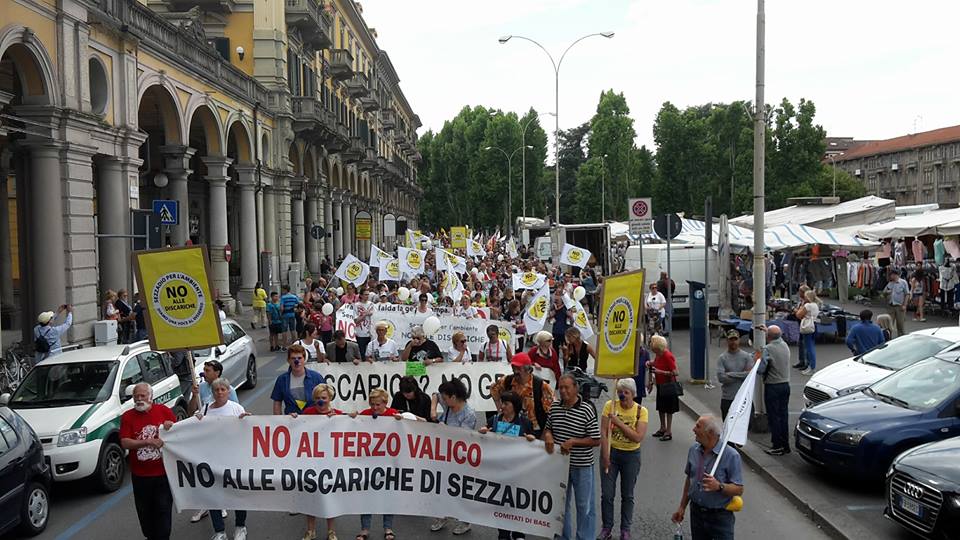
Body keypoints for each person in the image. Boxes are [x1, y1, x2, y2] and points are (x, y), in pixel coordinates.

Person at [544, 374, 601, 540]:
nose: (563, 391)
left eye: (566, 387)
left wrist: (574, 442)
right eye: (560, 387)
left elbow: (596, 439)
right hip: (560, 465)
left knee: (584, 506)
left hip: (582, 465)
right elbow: (548, 428)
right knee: (562, 505)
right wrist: (548, 435)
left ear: (576, 388)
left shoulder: (586, 409)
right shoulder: (555, 407)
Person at [671, 416, 744, 540]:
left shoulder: (731, 456)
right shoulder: (693, 450)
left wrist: (719, 486)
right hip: (697, 514)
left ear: (710, 433)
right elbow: (690, 479)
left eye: (698, 426)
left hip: (719, 518)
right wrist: (682, 506)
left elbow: (739, 489)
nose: (693, 429)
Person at [194, 378, 250, 540]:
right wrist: (194, 398)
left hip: (234, 459)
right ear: (212, 392)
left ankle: (240, 527)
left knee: (238, 494)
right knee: (213, 495)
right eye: (216, 390)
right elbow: (190, 425)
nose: (219, 393)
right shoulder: (204, 410)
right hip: (212, 460)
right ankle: (219, 531)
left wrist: (247, 421)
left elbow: (246, 431)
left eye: (223, 390)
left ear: (228, 391)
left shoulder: (236, 408)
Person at [120, 383, 176, 540]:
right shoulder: (127, 416)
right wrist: (148, 442)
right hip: (140, 476)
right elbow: (125, 442)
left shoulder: (163, 411)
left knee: (163, 509)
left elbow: (179, 433)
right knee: (145, 512)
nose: (139, 399)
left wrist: (171, 426)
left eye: (142, 395)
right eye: (136, 396)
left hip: (162, 474)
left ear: (151, 396)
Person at [479, 390, 536, 540]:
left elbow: (535, 447)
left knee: (517, 504)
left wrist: (532, 440)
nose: (502, 406)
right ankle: (503, 534)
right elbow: (482, 438)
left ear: (514, 406)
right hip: (499, 472)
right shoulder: (494, 420)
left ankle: (518, 534)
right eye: (502, 403)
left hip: (518, 472)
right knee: (501, 504)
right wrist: (482, 433)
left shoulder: (525, 422)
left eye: (506, 403)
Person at [290, 384, 341, 540]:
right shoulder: (307, 413)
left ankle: (331, 531)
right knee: (311, 496)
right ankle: (310, 530)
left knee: (329, 497)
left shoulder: (339, 415)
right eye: (317, 398)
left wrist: (350, 417)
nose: (320, 401)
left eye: (323, 398)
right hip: (311, 462)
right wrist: (292, 419)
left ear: (330, 399)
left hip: (330, 463)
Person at [598, 378, 648, 540]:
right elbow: (604, 433)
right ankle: (607, 528)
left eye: (626, 392)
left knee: (627, 495)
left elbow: (637, 437)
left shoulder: (641, 411)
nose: (622, 395)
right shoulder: (610, 406)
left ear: (633, 394)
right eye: (620, 392)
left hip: (631, 456)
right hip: (611, 453)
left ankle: (625, 529)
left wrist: (618, 423)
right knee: (607, 494)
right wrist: (605, 455)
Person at [430, 378, 477, 535]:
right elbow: (435, 395)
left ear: (454, 397)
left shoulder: (469, 415)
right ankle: (442, 516)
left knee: (459, 490)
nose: (443, 400)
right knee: (441, 488)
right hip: (443, 455)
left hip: (460, 458)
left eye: (445, 397)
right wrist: (433, 410)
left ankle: (465, 521)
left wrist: (445, 430)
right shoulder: (448, 405)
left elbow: (462, 438)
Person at [353, 388, 400, 540]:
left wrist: (403, 420)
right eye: (372, 404)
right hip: (369, 463)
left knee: (388, 495)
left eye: (378, 405)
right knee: (367, 495)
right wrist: (352, 417)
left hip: (388, 463)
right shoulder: (365, 414)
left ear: (385, 403)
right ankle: (365, 529)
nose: (374, 408)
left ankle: (388, 528)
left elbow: (419, 423)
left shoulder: (393, 414)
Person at [489, 352, 555, 438]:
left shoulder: (541, 386)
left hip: (533, 430)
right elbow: (494, 391)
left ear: (528, 369)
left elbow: (551, 412)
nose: (515, 371)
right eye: (513, 367)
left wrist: (545, 434)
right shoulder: (507, 380)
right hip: (511, 426)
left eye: (518, 368)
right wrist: (500, 410)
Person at [757, 326, 791, 456]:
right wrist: (767, 330)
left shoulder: (768, 349)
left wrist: (758, 358)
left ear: (769, 337)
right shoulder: (785, 345)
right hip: (785, 385)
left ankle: (777, 445)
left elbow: (761, 369)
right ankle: (785, 444)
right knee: (783, 416)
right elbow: (776, 336)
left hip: (773, 386)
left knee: (774, 417)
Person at [271, 345, 325, 415]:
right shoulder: (282, 380)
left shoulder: (316, 377)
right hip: (291, 422)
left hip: (313, 421)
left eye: (299, 358)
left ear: (304, 359)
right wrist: (279, 421)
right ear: (288, 360)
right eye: (293, 358)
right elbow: (277, 403)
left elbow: (326, 400)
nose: (296, 361)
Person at [646, 335, 678, 442]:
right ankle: (662, 427)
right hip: (660, 385)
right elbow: (657, 363)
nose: (654, 352)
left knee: (668, 409)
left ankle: (668, 431)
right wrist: (650, 363)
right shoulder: (658, 355)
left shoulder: (668, 355)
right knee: (661, 407)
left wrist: (661, 372)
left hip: (668, 385)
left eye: (655, 349)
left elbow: (675, 372)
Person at [716, 330, 753, 420]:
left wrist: (730, 374)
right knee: (727, 426)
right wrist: (741, 375)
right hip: (728, 398)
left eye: (735, 339)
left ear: (739, 340)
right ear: (727, 341)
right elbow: (721, 378)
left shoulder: (746, 356)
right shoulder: (722, 358)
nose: (733, 342)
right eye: (731, 339)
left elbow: (749, 375)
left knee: (745, 427)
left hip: (743, 398)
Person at [796, 290, 820, 375]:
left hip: (807, 326)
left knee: (809, 347)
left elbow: (798, 315)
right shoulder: (815, 305)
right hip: (814, 325)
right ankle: (811, 366)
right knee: (811, 346)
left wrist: (800, 308)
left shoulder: (807, 305)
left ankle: (812, 367)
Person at [883, 270, 909, 338]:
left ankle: (900, 338)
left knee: (900, 324)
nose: (890, 276)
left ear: (895, 275)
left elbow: (907, 294)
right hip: (891, 306)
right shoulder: (890, 283)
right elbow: (884, 293)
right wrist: (886, 292)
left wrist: (904, 305)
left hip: (899, 306)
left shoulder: (903, 282)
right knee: (889, 324)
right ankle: (888, 338)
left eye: (891, 275)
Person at [354, 293, 375, 358]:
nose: (367, 296)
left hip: (371, 333)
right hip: (360, 333)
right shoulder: (356, 305)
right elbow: (356, 321)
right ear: (361, 295)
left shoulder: (371, 304)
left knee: (371, 354)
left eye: (368, 294)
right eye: (365, 294)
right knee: (362, 353)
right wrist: (365, 314)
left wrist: (371, 313)